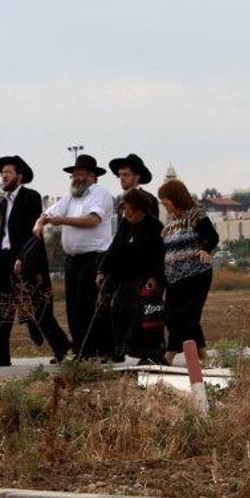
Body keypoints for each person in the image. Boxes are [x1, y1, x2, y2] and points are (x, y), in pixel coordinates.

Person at [0, 154, 71, 367]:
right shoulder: (3, 203)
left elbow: (33, 233)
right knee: (2, 309)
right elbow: (6, 234)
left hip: (27, 260)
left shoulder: (30, 197)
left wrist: (23, 257)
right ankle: (1, 356)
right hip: (4, 260)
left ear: (19, 176)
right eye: (2, 173)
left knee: (40, 308)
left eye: (8, 173)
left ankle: (63, 350)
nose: (3, 177)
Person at [34, 154, 115, 359]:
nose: (76, 179)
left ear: (93, 177)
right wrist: (40, 223)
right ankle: (82, 350)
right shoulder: (70, 197)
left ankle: (104, 349)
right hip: (73, 259)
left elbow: (93, 220)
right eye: (74, 176)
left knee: (92, 305)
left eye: (81, 175)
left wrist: (63, 220)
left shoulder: (101, 194)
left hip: (94, 256)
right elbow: (50, 214)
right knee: (74, 306)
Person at [97, 187, 165, 363]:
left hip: (144, 278)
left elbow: (160, 257)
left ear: (139, 208)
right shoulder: (125, 225)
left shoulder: (154, 227)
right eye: (123, 209)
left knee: (141, 317)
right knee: (117, 312)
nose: (126, 213)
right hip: (123, 277)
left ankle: (147, 353)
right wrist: (102, 270)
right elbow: (114, 249)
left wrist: (156, 278)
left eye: (129, 209)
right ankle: (117, 350)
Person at [159, 178, 219, 364]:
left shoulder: (196, 215)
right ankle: (204, 356)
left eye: (165, 200)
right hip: (175, 277)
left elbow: (212, 236)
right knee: (172, 315)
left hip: (196, 274)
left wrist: (205, 248)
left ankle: (169, 356)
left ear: (175, 197)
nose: (164, 204)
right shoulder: (172, 221)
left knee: (187, 315)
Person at [108, 153, 160, 218]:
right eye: (120, 175)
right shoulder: (118, 200)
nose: (122, 178)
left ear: (137, 177)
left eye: (125, 175)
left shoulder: (149, 200)